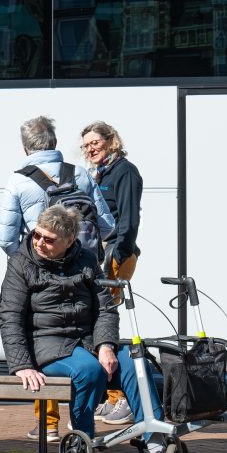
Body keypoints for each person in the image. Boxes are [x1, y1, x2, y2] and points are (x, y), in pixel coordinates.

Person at [0, 205, 167, 453]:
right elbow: (10, 316)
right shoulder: (20, 263)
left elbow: (106, 308)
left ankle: (156, 444)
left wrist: (106, 345)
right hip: (48, 344)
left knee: (138, 363)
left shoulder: (87, 260)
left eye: (49, 239)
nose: (40, 242)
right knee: (87, 371)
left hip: (88, 340)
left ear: (69, 241)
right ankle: (81, 443)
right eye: (37, 235)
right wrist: (22, 364)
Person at [0, 115, 115, 441]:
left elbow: (5, 237)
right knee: (85, 342)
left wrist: (26, 260)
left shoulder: (18, 181)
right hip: (81, 268)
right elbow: (106, 225)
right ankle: (82, 420)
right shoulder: (80, 173)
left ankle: (48, 425)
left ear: (25, 146)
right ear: (55, 142)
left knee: (43, 340)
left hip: (37, 275)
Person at [81, 121, 144, 426]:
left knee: (108, 319)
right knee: (99, 319)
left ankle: (122, 400)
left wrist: (115, 257)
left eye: (95, 143)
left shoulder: (125, 171)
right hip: (104, 254)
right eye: (86, 145)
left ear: (111, 141)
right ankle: (110, 396)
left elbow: (129, 220)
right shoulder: (100, 172)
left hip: (117, 255)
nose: (90, 149)